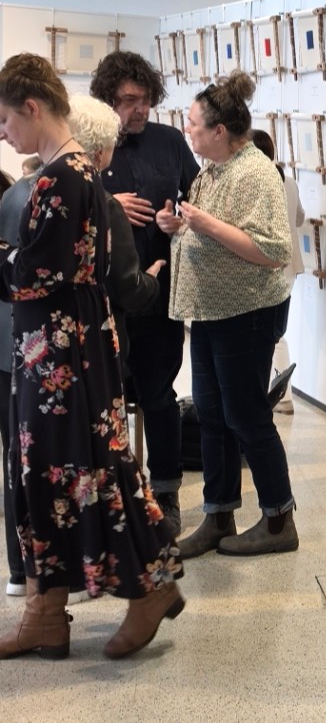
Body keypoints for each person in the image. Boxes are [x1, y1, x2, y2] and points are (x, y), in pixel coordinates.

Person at [0, 53, 182, 661]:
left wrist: (4, 256)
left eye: (6, 119)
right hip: (62, 348)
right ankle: (49, 613)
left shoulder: (63, 177)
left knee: (71, 472)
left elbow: (35, 273)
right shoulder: (75, 171)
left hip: (60, 355)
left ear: (32, 107)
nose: (4, 133)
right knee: (66, 470)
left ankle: (144, 585)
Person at [157, 71, 298, 558]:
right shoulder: (212, 170)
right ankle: (218, 514)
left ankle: (279, 520)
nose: (187, 131)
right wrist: (178, 226)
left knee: (246, 416)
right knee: (213, 415)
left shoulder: (256, 173)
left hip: (247, 313)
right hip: (212, 312)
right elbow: (206, 230)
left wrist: (205, 223)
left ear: (219, 131)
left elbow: (273, 249)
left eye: (194, 124)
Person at [90, 51, 198, 538]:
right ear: (108, 100)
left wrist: (181, 216)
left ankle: (167, 494)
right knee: (102, 400)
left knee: (159, 394)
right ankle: (109, 497)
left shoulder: (170, 141)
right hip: (104, 297)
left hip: (159, 293)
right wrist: (108, 205)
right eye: (129, 101)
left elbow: (198, 195)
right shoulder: (90, 145)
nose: (140, 110)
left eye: (146, 100)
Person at [66, 95, 165, 365]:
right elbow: (128, 288)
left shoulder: (30, 188)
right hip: (92, 341)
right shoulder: (104, 205)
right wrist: (152, 279)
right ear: (100, 152)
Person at [0, 158, 37, 598]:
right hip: (35, 345)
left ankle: (17, 570)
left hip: (10, 341)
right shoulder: (39, 194)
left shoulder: (12, 193)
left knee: (15, 460)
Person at [249, 128, 304, 344]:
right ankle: (280, 378)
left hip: (269, 267)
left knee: (269, 335)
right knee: (276, 332)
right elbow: (299, 219)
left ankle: (279, 378)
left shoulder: (259, 185)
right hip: (289, 266)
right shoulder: (289, 182)